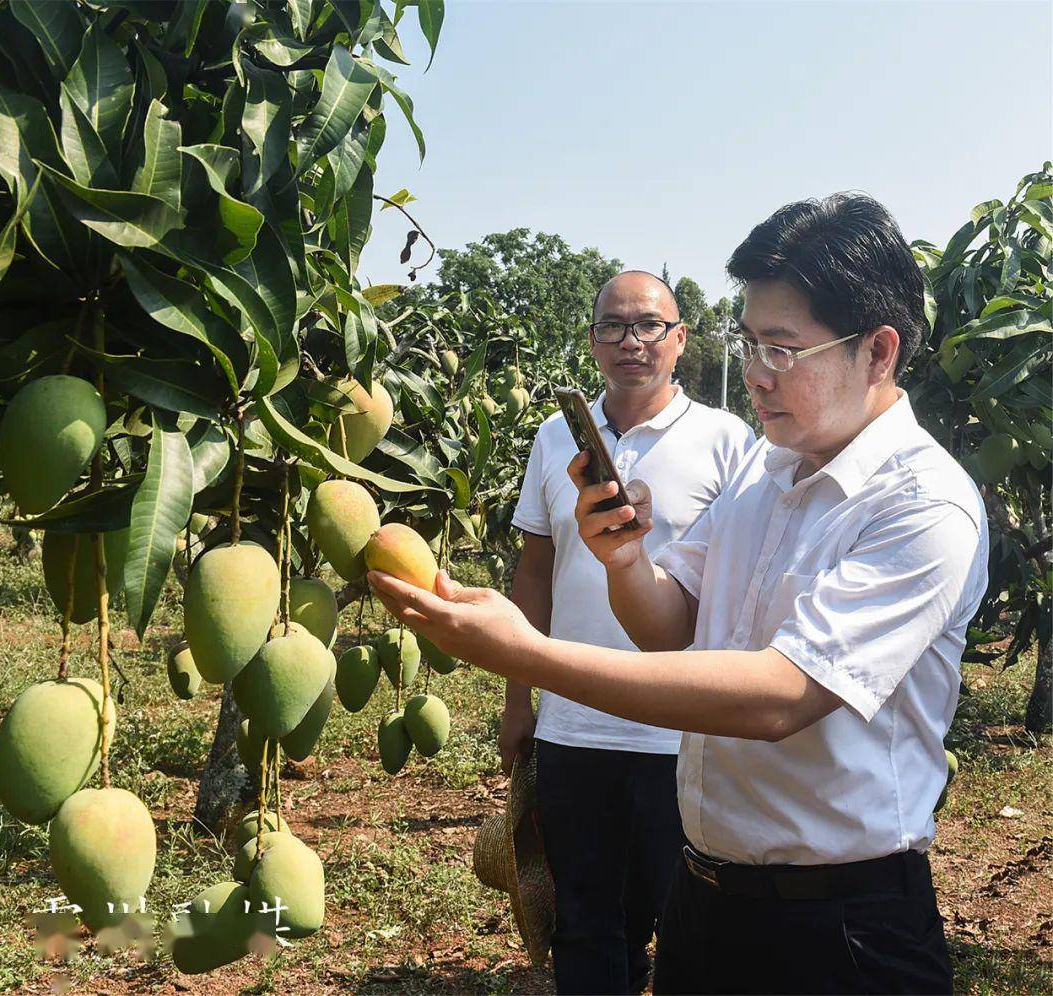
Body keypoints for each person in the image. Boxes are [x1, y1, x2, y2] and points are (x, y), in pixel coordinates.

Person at [370, 193, 989, 995]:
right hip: (707, 903)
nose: (757, 376)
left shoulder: (920, 505)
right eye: (749, 343)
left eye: (783, 350)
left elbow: (780, 696)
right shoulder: (766, 474)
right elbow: (672, 626)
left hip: (842, 929)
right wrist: (626, 562)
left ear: (877, 351)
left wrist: (531, 656)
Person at [501, 270, 754, 995]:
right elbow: (536, 572)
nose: (631, 342)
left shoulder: (726, 441)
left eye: (649, 326)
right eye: (613, 326)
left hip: (678, 730)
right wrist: (521, 700)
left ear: (680, 341)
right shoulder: (555, 439)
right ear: (592, 342)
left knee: (674, 916)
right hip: (575, 728)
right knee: (581, 920)